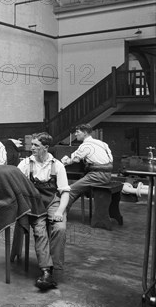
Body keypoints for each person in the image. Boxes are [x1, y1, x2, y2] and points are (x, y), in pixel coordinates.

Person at [17, 132, 70, 290]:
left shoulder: (57, 165)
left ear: (46, 147)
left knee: (60, 228)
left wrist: (60, 211)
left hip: (54, 203)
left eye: (36, 145)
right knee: (40, 231)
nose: (32, 148)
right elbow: (15, 180)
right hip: (35, 205)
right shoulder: (26, 164)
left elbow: (65, 192)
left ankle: (55, 268)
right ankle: (46, 271)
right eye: (32, 144)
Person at [60, 124, 113, 210]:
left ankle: (61, 214)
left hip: (97, 176)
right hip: (107, 175)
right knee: (77, 189)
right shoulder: (103, 143)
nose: (75, 134)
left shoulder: (85, 145)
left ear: (85, 133)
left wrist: (65, 161)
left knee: (69, 191)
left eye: (77, 132)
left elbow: (75, 160)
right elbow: (110, 160)